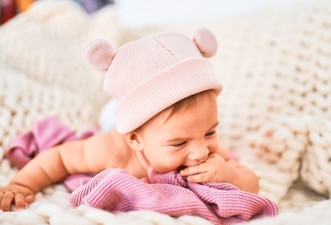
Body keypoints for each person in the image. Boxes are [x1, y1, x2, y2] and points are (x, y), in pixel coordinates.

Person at [0, 28, 259, 212]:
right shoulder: (111, 150)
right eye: (179, 144)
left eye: (210, 132)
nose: (201, 152)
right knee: (107, 116)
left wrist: (229, 174)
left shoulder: (205, 149)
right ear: (135, 139)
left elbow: (252, 184)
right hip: (113, 119)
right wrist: (21, 185)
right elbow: (58, 158)